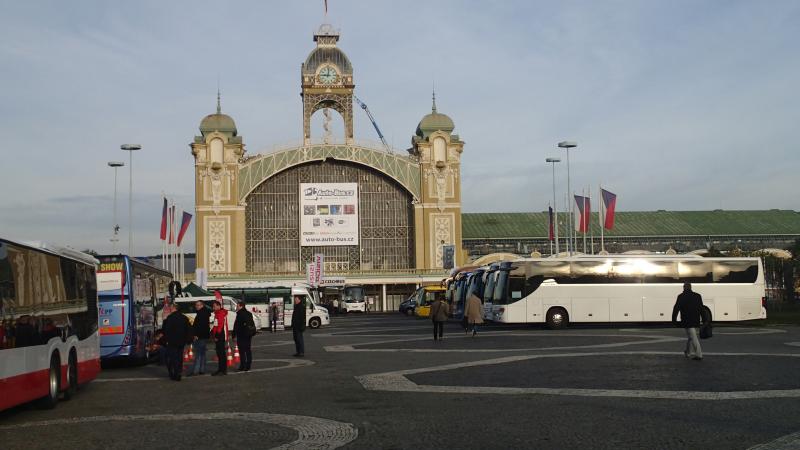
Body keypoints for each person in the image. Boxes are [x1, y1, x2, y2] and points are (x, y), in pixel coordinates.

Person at [672, 282, 705, 361]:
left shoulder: (681, 296)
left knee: (693, 336)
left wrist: (674, 320)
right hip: (695, 319)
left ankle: (699, 354)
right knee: (691, 336)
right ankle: (688, 352)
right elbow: (701, 309)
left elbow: (676, 309)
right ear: (690, 287)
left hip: (686, 320)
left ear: (684, 287)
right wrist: (704, 319)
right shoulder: (697, 296)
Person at [162, 305, 192, 381]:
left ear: (174, 309)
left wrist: (166, 340)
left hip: (172, 341)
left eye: (171, 308)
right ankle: (178, 372)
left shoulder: (170, 318)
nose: (170, 309)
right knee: (179, 357)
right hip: (181, 341)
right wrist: (188, 340)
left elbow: (166, 330)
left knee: (172, 358)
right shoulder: (184, 317)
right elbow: (188, 329)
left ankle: (174, 373)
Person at [188, 300, 211, 376]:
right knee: (202, 353)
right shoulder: (204, 313)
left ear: (202, 305)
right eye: (196, 305)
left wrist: (196, 335)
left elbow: (201, 326)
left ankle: (196, 371)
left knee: (198, 354)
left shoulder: (202, 314)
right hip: (203, 336)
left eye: (198, 305)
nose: (196, 306)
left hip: (200, 336)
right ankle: (201, 369)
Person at [233, 301, 255, 371]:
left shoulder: (239, 314)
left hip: (241, 334)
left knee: (242, 351)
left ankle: (242, 365)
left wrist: (234, 335)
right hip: (249, 334)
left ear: (241, 306)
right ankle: (248, 365)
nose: (236, 307)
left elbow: (236, 326)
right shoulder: (249, 313)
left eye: (237, 306)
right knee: (248, 350)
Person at [210, 301, 228, 376]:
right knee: (220, 353)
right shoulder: (217, 313)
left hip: (220, 335)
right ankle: (221, 369)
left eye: (214, 306)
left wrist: (217, 336)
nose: (213, 308)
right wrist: (212, 333)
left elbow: (220, 326)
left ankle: (222, 370)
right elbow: (216, 325)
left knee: (221, 353)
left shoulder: (220, 313)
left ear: (218, 306)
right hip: (219, 335)